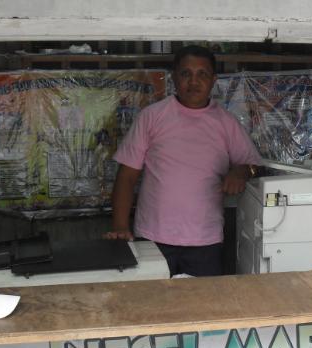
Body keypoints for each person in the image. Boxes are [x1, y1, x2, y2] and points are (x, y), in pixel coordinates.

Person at [105, 45, 262, 277]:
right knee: (153, 298)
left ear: (213, 80)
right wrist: (120, 227)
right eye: (186, 73)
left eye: (202, 74)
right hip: (152, 236)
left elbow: (253, 164)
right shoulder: (152, 116)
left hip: (205, 240)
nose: (193, 82)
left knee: (201, 300)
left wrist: (242, 171)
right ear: (174, 78)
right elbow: (126, 176)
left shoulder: (226, 123)